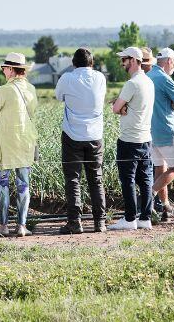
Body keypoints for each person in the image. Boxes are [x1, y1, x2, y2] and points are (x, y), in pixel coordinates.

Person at [55, 48, 108, 235]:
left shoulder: (67, 79)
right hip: (95, 135)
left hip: (72, 135)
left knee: (73, 180)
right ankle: (100, 222)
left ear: (73, 63)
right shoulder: (100, 78)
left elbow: (58, 96)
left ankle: (74, 222)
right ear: (91, 62)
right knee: (96, 179)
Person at [0, 52, 38, 237]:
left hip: (6, 143)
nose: (3, 71)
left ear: (10, 69)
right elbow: (32, 112)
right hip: (26, 141)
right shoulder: (31, 89)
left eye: (4, 68)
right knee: (23, 184)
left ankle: (3, 226)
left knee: (3, 184)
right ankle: (22, 226)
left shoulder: (4, 90)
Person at [109, 46, 155, 231]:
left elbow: (115, 108)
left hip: (129, 139)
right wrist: (123, 106)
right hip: (146, 138)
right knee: (145, 179)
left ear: (135, 60)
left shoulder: (131, 84)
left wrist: (121, 106)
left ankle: (129, 219)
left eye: (125, 59)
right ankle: (145, 217)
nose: (123, 63)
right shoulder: (148, 82)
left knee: (127, 179)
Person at [147, 48, 174, 221]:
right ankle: (148, 195)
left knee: (160, 168)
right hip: (166, 130)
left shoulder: (148, 76)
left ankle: (166, 207)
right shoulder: (164, 78)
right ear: (170, 61)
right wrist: (173, 106)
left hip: (150, 132)